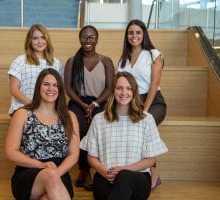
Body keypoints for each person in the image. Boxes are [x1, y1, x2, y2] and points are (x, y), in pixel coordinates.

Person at [80, 72, 168, 200]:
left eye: (128, 88)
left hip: (138, 178)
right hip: (106, 177)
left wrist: (123, 169)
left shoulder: (147, 120)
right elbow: (91, 157)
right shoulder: (99, 119)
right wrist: (105, 172)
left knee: (124, 177)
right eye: (119, 88)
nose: (123, 93)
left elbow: (150, 160)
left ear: (134, 92)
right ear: (113, 91)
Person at [5, 68, 79, 200]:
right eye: (46, 84)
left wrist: (57, 173)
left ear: (60, 89)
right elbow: (11, 152)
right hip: (28, 173)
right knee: (50, 176)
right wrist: (41, 165)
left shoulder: (70, 116)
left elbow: (74, 154)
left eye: (55, 85)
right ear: (38, 87)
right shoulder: (22, 114)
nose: (51, 89)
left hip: (60, 172)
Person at [117, 19, 167, 190]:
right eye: (131, 33)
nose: (134, 36)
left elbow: (154, 84)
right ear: (127, 36)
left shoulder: (154, 54)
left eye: (138, 32)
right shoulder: (123, 58)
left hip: (153, 101)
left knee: (146, 123)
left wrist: (145, 110)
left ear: (144, 34)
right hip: (131, 101)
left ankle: (153, 173)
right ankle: (131, 171)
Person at [64, 25, 115, 190]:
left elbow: (109, 88)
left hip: (100, 102)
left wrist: (93, 104)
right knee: (81, 129)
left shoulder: (106, 61)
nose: (88, 40)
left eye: (91, 37)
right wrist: (83, 104)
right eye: (85, 37)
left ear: (97, 40)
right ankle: (84, 170)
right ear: (80, 39)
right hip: (78, 102)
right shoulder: (72, 61)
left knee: (97, 128)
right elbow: (68, 89)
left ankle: (98, 169)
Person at [8, 24, 63, 115]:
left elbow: (59, 89)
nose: (40, 41)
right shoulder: (20, 61)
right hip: (24, 107)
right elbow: (14, 89)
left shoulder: (56, 63)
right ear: (29, 41)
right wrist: (33, 105)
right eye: (35, 38)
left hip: (49, 109)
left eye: (43, 37)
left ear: (47, 40)